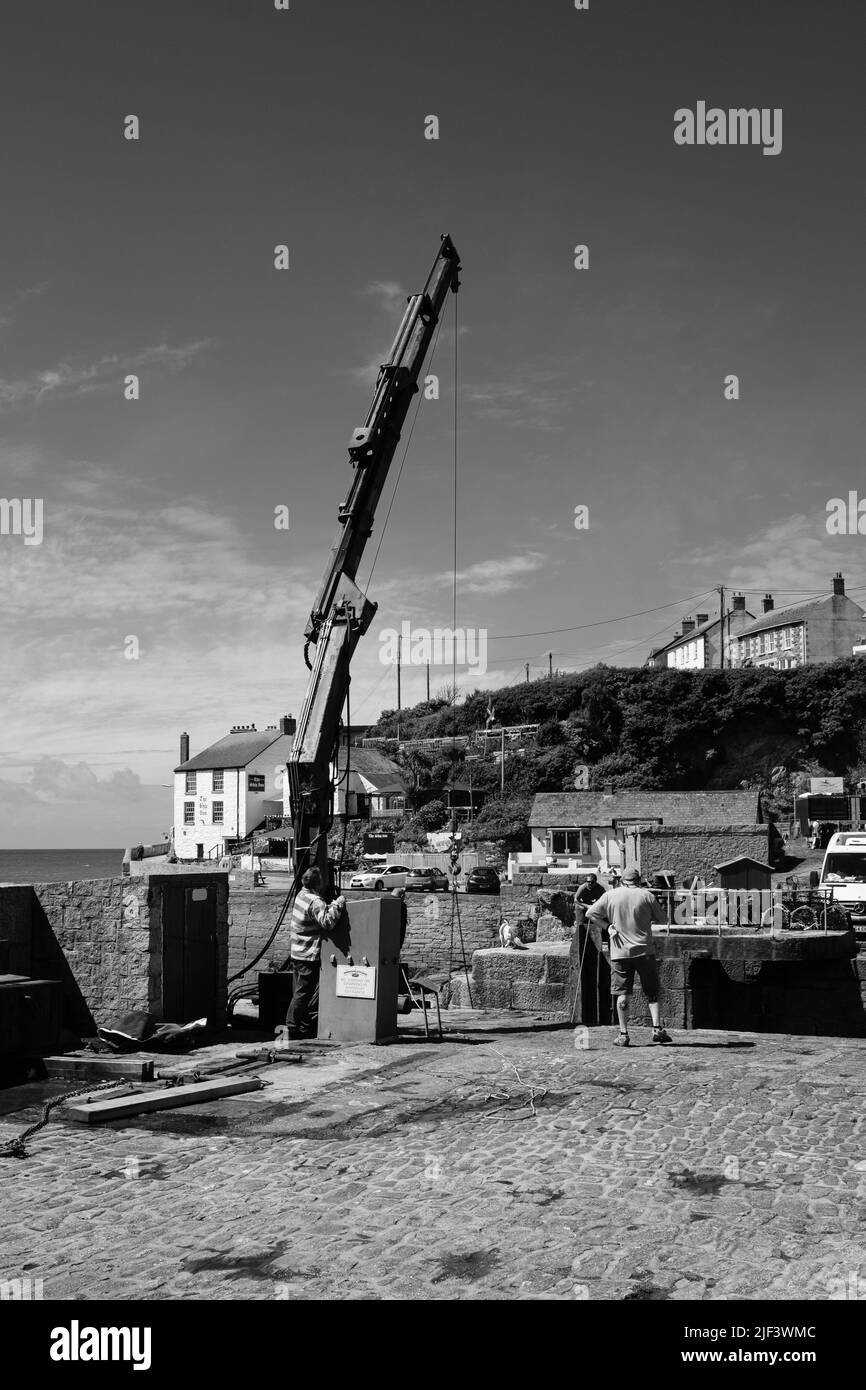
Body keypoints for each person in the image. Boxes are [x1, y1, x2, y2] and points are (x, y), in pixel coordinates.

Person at [586, 866, 671, 1047]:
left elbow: (590, 913)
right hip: (644, 951)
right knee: (652, 991)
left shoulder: (611, 895)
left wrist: (607, 926)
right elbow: (664, 920)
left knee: (622, 993)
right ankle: (657, 1029)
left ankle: (624, 1034)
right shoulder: (647, 895)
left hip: (619, 952)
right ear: (638, 880)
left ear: (622, 880)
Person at [285, 867, 345, 1039]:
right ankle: (291, 1029)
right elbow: (328, 922)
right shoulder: (316, 902)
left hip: (296, 952)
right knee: (304, 994)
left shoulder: (300, 895)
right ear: (318, 883)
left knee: (299, 992)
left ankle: (303, 1027)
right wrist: (338, 903)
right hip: (308, 954)